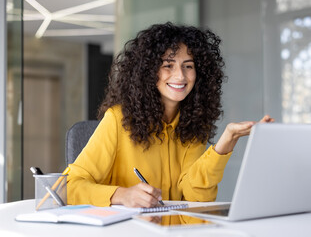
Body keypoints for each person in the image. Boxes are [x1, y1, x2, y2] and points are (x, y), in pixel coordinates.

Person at [67, 22, 274, 208]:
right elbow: (68, 187)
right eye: (168, 65)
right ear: (148, 71)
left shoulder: (193, 125)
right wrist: (122, 195)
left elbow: (196, 198)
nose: (180, 76)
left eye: (188, 66)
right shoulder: (118, 119)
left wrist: (226, 142)